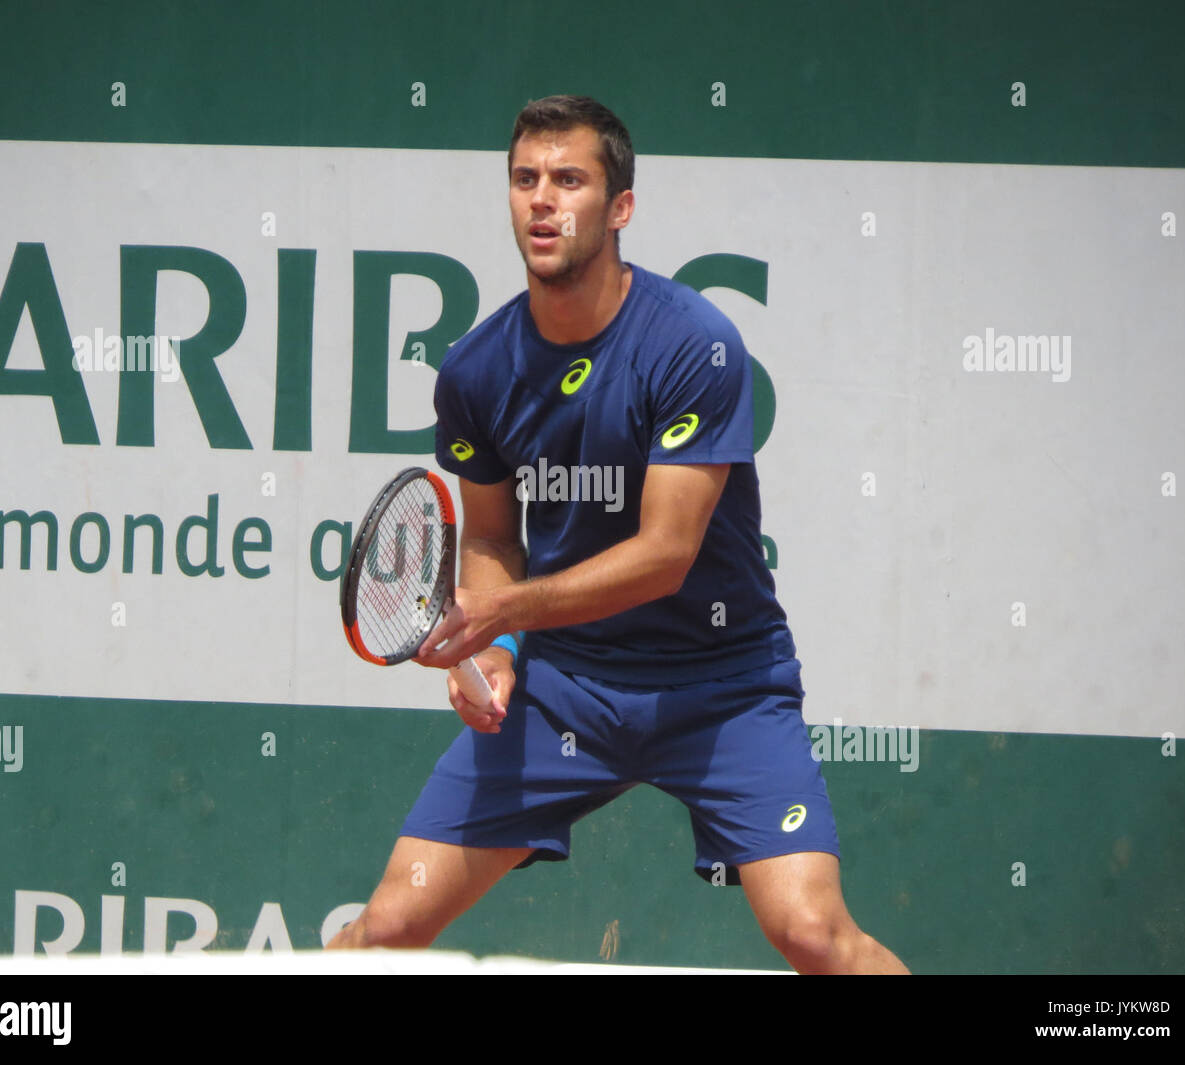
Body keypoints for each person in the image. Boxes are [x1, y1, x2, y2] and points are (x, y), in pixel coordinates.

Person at [326, 95, 908, 973]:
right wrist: (494, 652)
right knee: (383, 929)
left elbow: (665, 555)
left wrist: (503, 612)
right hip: (566, 687)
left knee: (814, 934)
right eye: (525, 180)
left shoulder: (694, 346)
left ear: (621, 207)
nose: (542, 201)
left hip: (723, 686)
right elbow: (490, 539)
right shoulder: (476, 371)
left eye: (569, 180)